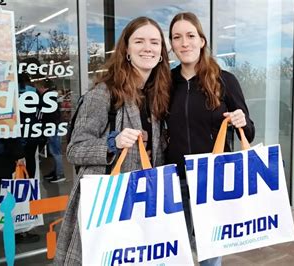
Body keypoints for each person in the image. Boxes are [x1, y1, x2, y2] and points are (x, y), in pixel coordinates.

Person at [54, 16, 171, 265]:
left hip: (143, 203)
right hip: (109, 204)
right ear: (126, 49)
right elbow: (74, 150)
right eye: (139, 41)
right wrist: (112, 142)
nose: (147, 47)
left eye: (154, 42)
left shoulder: (157, 96)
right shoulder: (103, 93)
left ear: (162, 51)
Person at [165, 12, 255, 266]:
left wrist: (242, 121)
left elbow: (248, 131)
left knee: (209, 252)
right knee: (175, 252)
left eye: (191, 36)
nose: (185, 43)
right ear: (171, 45)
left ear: (202, 40)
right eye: (177, 37)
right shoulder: (164, 83)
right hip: (176, 179)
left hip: (213, 181)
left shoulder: (225, 80)